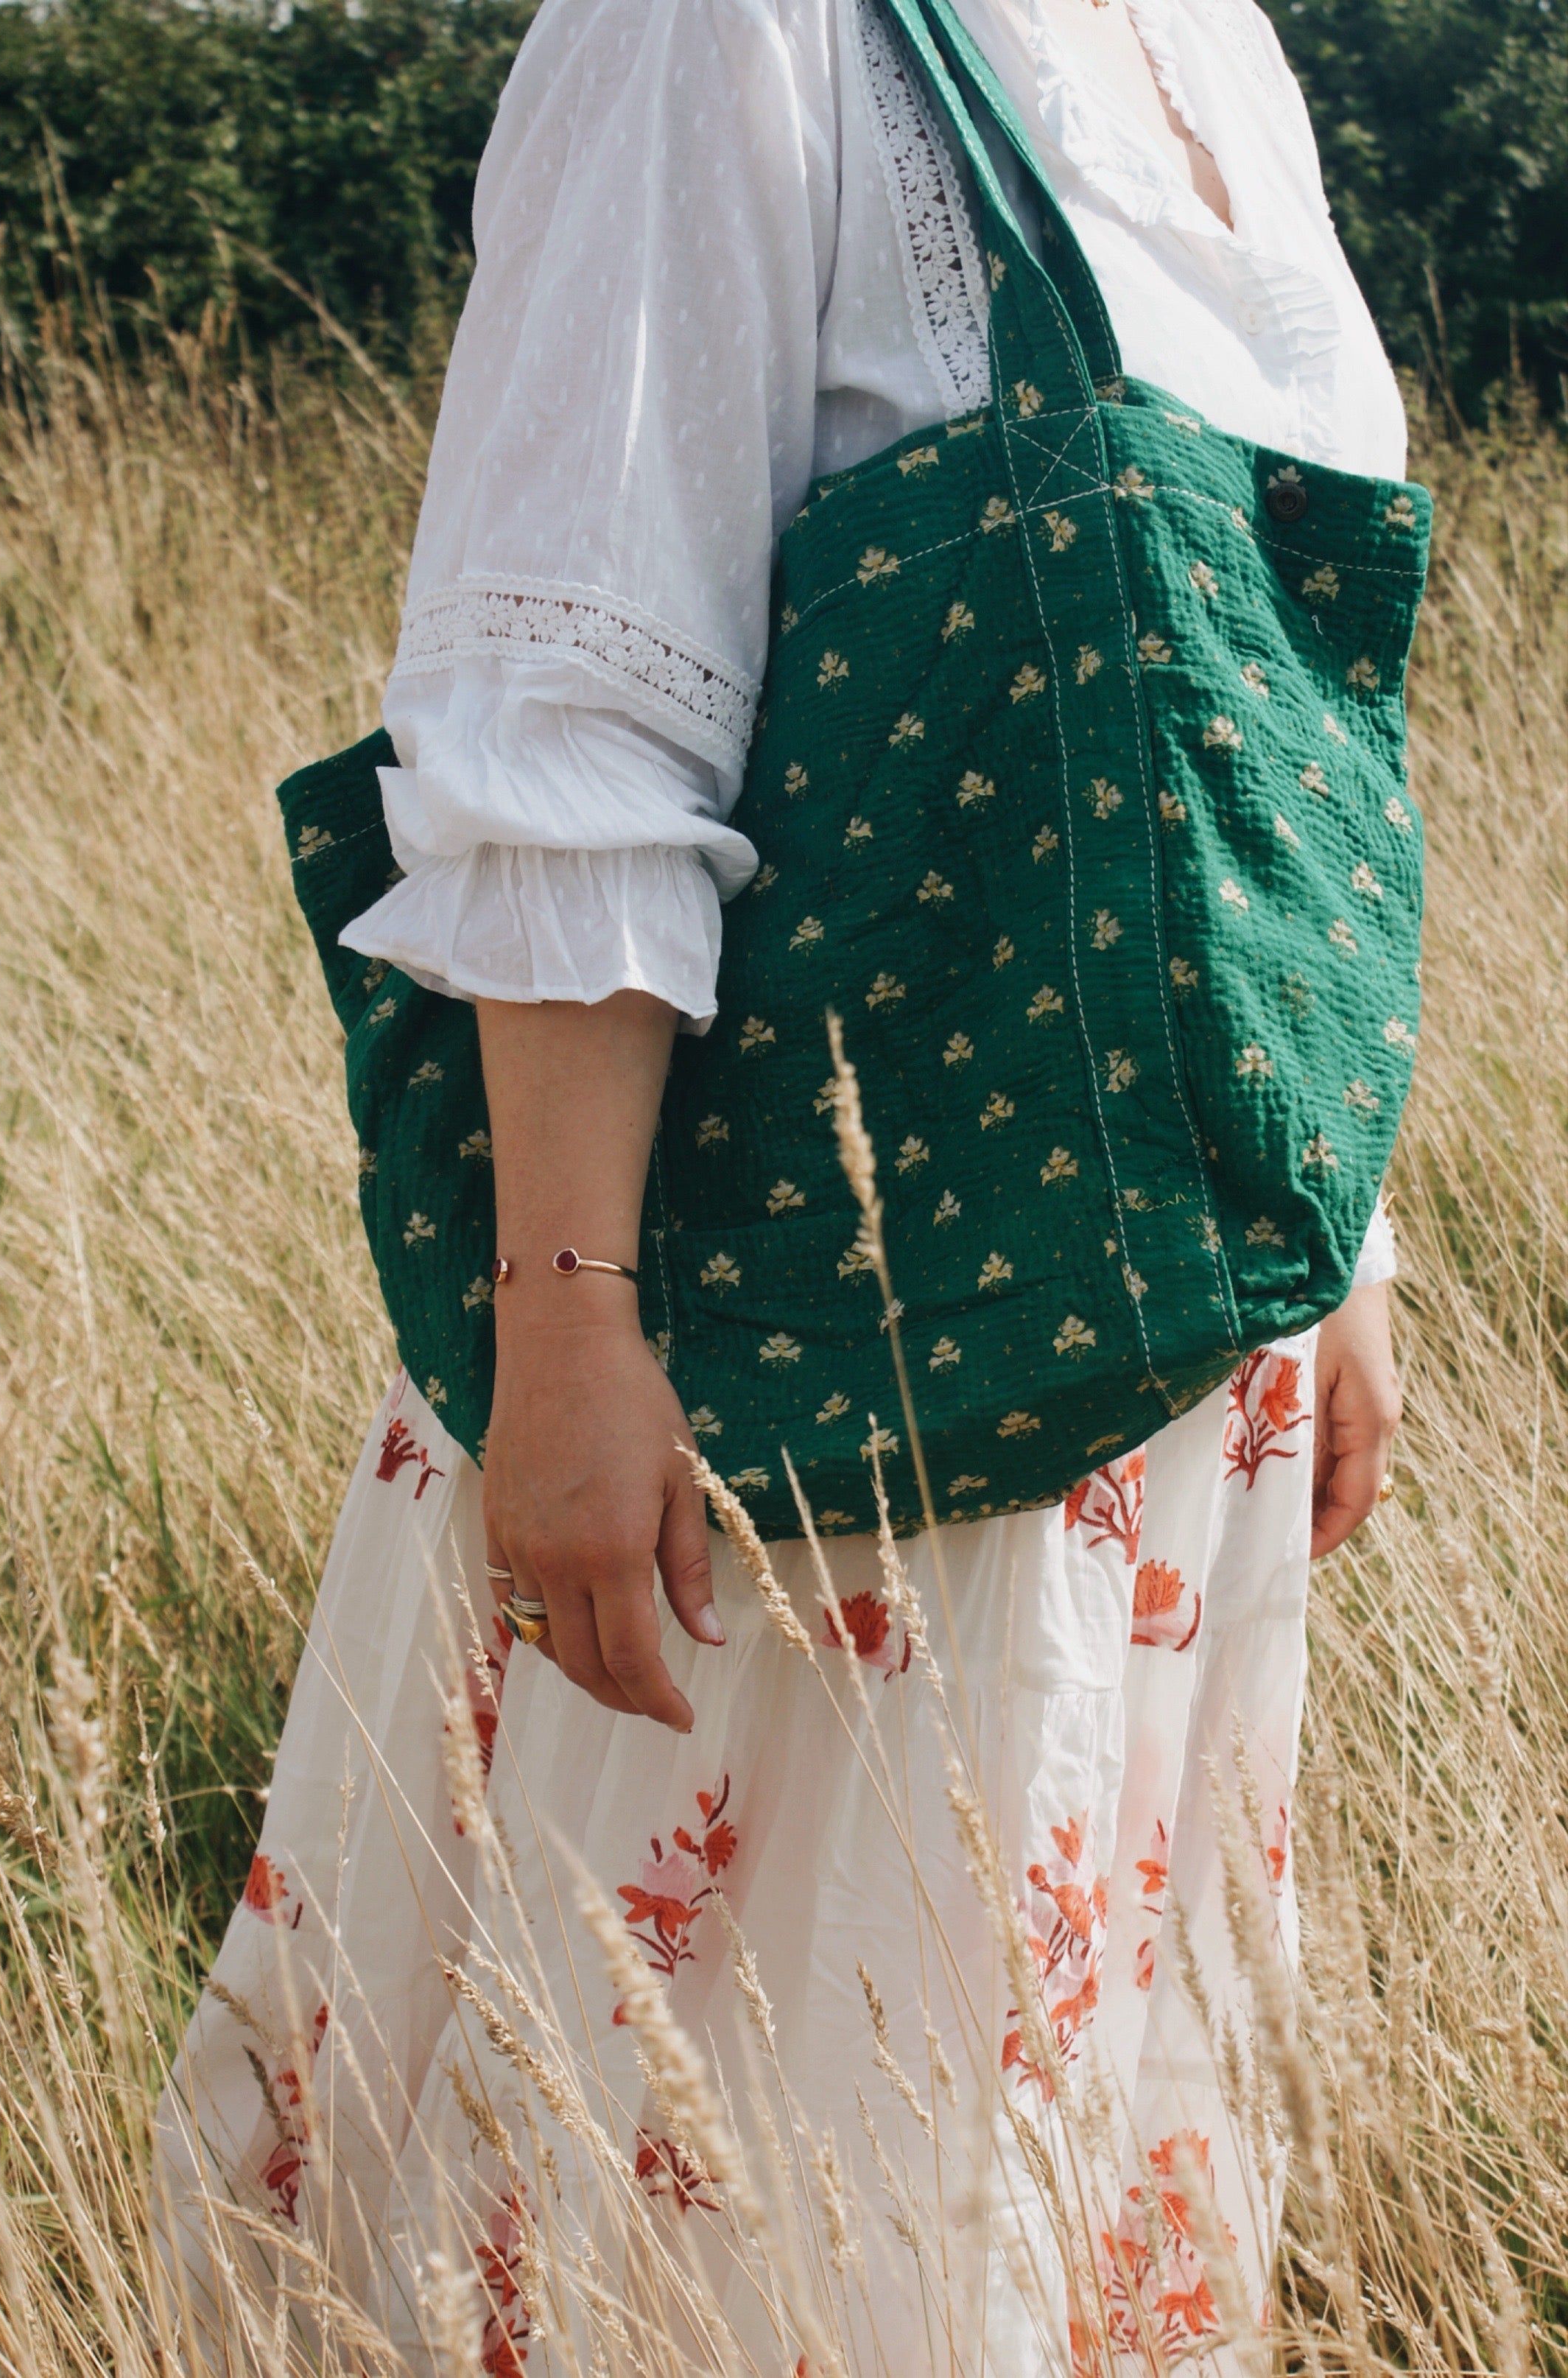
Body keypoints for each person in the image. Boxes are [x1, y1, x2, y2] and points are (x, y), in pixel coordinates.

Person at [154, 0, 1406, 2366]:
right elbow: (575, 716)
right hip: (796, 1400)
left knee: (1024, 2209)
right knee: (735, 2217)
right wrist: (564, 1320)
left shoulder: (1214, 31)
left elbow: (1279, 705)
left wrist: (1339, 1222)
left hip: (1161, 1395)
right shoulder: (717, 23)